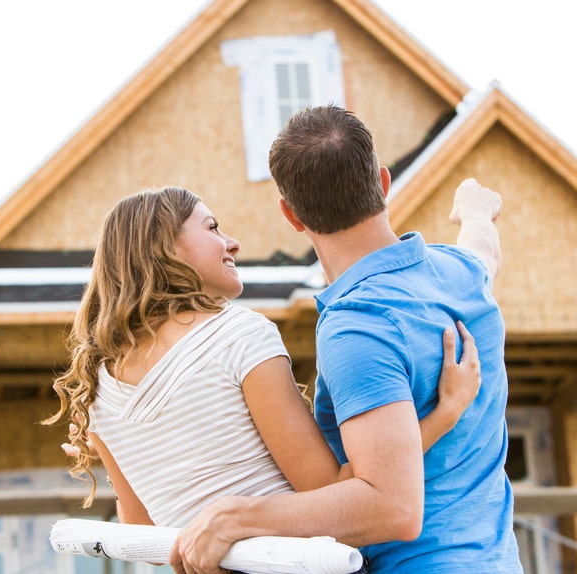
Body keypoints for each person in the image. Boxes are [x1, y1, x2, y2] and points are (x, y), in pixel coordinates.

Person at [170, 106, 521, 573]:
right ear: (381, 181)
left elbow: (393, 507)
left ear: (291, 215)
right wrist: (475, 211)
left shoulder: (357, 327)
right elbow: (483, 248)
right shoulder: (459, 274)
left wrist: (238, 516)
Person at [43, 186, 482, 536]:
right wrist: (446, 412)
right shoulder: (238, 335)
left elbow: (141, 530)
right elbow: (334, 492)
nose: (231, 241)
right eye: (212, 227)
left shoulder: (98, 385)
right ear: (167, 249)